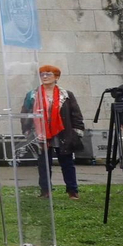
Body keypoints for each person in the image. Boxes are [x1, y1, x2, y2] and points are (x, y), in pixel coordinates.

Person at [22, 65, 85, 199]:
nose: (44, 77)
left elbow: (76, 114)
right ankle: (45, 191)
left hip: (62, 133)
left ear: (56, 77)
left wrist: (77, 132)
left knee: (67, 162)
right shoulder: (32, 95)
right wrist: (27, 131)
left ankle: (72, 191)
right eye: (42, 74)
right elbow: (25, 114)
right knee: (43, 164)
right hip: (40, 133)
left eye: (48, 74)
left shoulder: (66, 95)